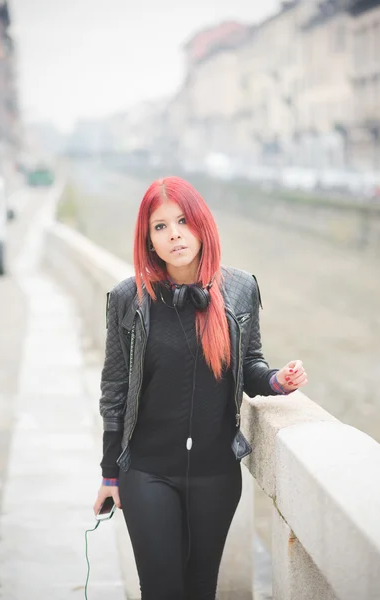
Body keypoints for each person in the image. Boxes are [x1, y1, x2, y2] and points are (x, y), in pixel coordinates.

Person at [93, 176, 308, 600]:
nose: (174, 233)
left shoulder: (240, 288)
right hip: (148, 472)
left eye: (183, 220)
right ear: (148, 239)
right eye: (160, 226)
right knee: (161, 590)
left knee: (200, 590)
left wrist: (276, 380)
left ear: (202, 224)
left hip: (216, 474)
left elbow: (248, 365)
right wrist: (109, 474)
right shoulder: (128, 299)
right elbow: (114, 389)